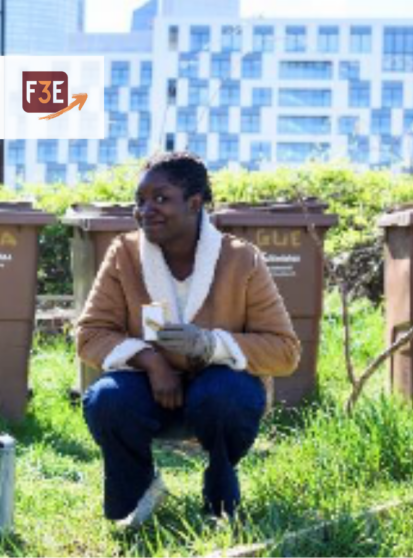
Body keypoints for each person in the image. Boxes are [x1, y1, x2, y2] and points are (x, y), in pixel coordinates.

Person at [76, 152, 301, 527]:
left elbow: (285, 351)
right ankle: (137, 499)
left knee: (225, 394)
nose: (146, 210)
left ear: (194, 203)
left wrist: (210, 344)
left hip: (216, 395)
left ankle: (220, 500)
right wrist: (151, 361)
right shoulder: (125, 255)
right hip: (148, 392)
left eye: (161, 199)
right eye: (140, 201)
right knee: (106, 400)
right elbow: (89, 334)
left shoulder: (241, 260)